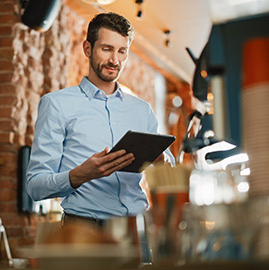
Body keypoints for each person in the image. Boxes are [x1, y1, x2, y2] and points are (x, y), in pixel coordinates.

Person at [26, 12, 173, 226]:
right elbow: (34, 186)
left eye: (122, 51)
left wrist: (163, 161)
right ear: (88, 49)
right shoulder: (57, 104)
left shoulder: (142, 110)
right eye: (107, 49)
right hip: (83, 229)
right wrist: (79, 175)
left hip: (138, 230)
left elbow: (168, 174)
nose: (115, 60)